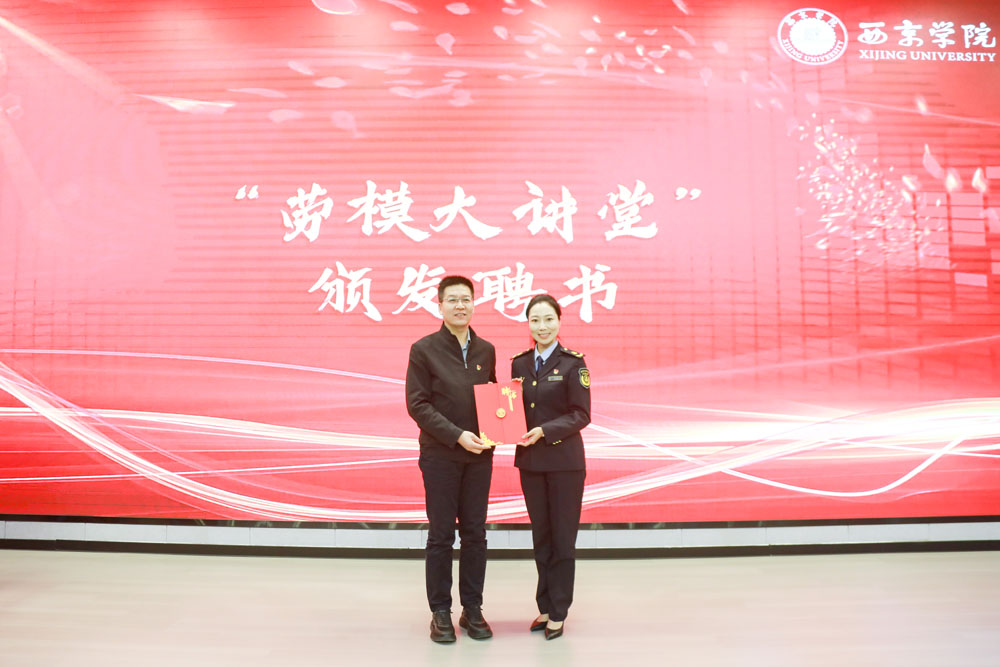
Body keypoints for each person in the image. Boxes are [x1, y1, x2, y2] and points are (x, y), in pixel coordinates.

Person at [405, 275, 497, 643]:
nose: (461, 305)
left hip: (479, 456)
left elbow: (493, 400)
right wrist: (457, 435)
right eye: (453, 299)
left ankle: (472, 609)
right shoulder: (423, 349)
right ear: (440, 305)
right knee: (441, 534)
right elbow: (417, 404)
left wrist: (498, 425)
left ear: (474, 303)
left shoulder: (486, 350)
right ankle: (440, 611)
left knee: (475, 533)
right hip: (440, 455)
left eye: (466, 299)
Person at [511, 294, 590, 640]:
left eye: (548, 319)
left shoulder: (574, 363)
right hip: (531, 462)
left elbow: (581, 415)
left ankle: (559, 610)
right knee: (541, 537)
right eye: (535, 320)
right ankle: (544, 606)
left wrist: (545, 430)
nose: (542, 327)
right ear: (528, 324)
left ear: (559, 321)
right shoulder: (519, 364)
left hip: (564, 463)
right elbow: (511, 410)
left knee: (562, 538)